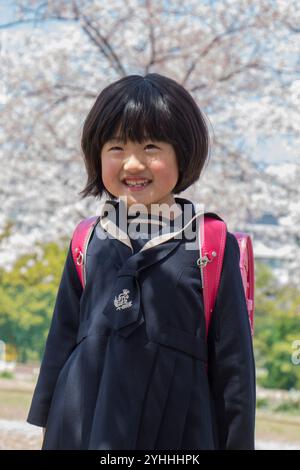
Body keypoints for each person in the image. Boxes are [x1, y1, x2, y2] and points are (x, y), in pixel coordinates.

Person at [27, 73, 256, 450]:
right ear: (96, 153)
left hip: (176, 426)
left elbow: (233, 362)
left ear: (182, 152)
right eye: (116, 147)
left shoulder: (210, 243)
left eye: (151, 146)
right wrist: (50, 421)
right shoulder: (88, 237)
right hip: (85, 417)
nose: (132, 163)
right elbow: (63, 336)